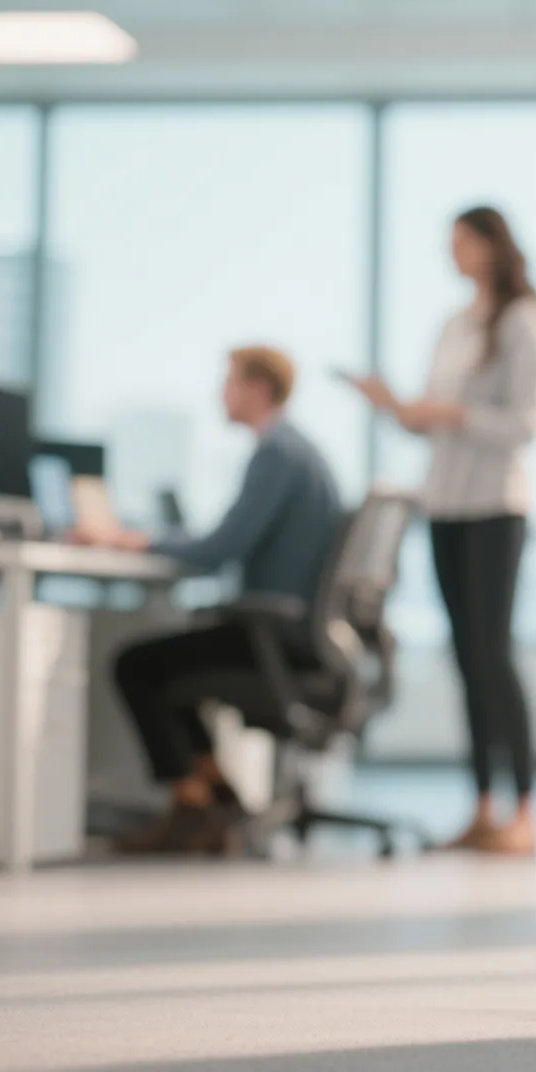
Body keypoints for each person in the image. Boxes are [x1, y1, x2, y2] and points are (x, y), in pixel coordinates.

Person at [77, 345, 344, 854]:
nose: (221, 393)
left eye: (230, 381)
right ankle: (217, 800)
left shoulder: (277, 453)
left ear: (258, 388)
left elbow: (219, 550)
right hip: (294, 633)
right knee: (160, 666)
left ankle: (195, 807)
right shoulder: (296, 452)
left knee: (137, 665)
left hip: (276, 637)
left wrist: (136, 540)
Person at [344, 206, 536, 856]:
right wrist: (399, 409)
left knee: (494, 657)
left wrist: (452, 412)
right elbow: (428, 421)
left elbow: (524, 424)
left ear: (491, 245)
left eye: (462, 241)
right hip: (446, 507)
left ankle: (524, 810)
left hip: (495, 507)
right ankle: (482, 808)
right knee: (464, 661)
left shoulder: (519, 319)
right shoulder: (453, 325)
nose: (452, 253)